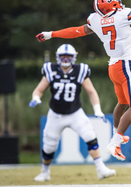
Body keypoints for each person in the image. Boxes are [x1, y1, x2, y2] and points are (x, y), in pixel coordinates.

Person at [35, 0, 131, 161]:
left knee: (123, 102)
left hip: (112, 67)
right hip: (125, 66)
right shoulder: (125, 15)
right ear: (112, 4)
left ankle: (115, 134)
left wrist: (51, 34)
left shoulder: (96, 20)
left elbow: (76, 31)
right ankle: (115, 143)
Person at [29, 44, 116, 181]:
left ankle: (101, 169)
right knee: (49, 146)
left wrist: (97, 110)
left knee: (90, 136)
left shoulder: (80, 70)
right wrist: (35, 98)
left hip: (75, 113)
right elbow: (39, 89)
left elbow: (91, 91)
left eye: (68, 56)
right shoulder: (50, 70)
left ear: (73, 57)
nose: (65, 59)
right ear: (58, 57)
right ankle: (45, 172)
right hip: (55, 114)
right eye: (63, 56)